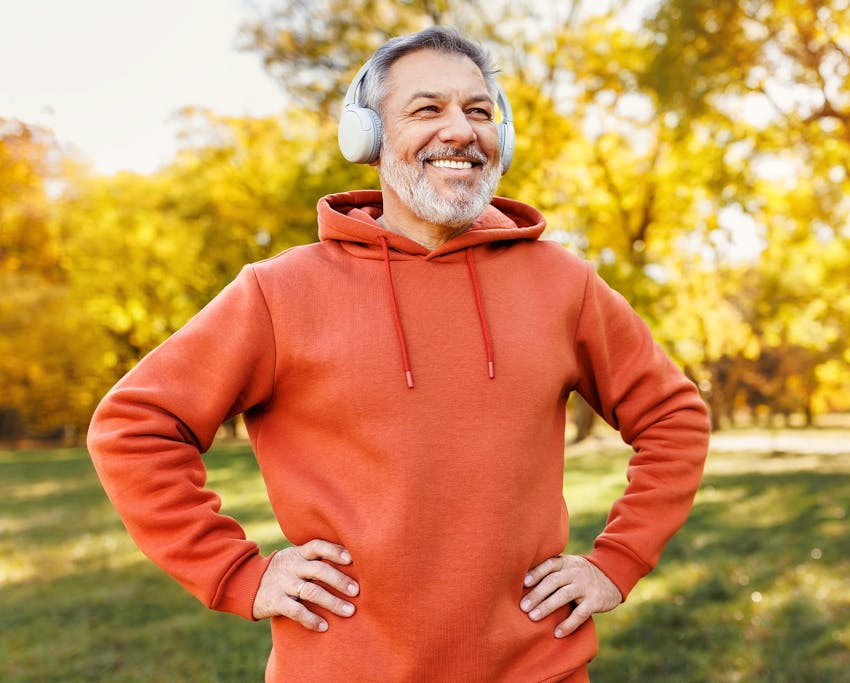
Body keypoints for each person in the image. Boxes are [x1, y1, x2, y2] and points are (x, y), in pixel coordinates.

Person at [87, 26, 710, 682]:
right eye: (426, 109)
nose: (461, 130)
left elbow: (675, 419)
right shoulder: (277, 292)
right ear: (368, 137)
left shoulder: (566, 284)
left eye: (478, 110)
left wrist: (617, 561)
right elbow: (133, 427)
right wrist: (239, 572)